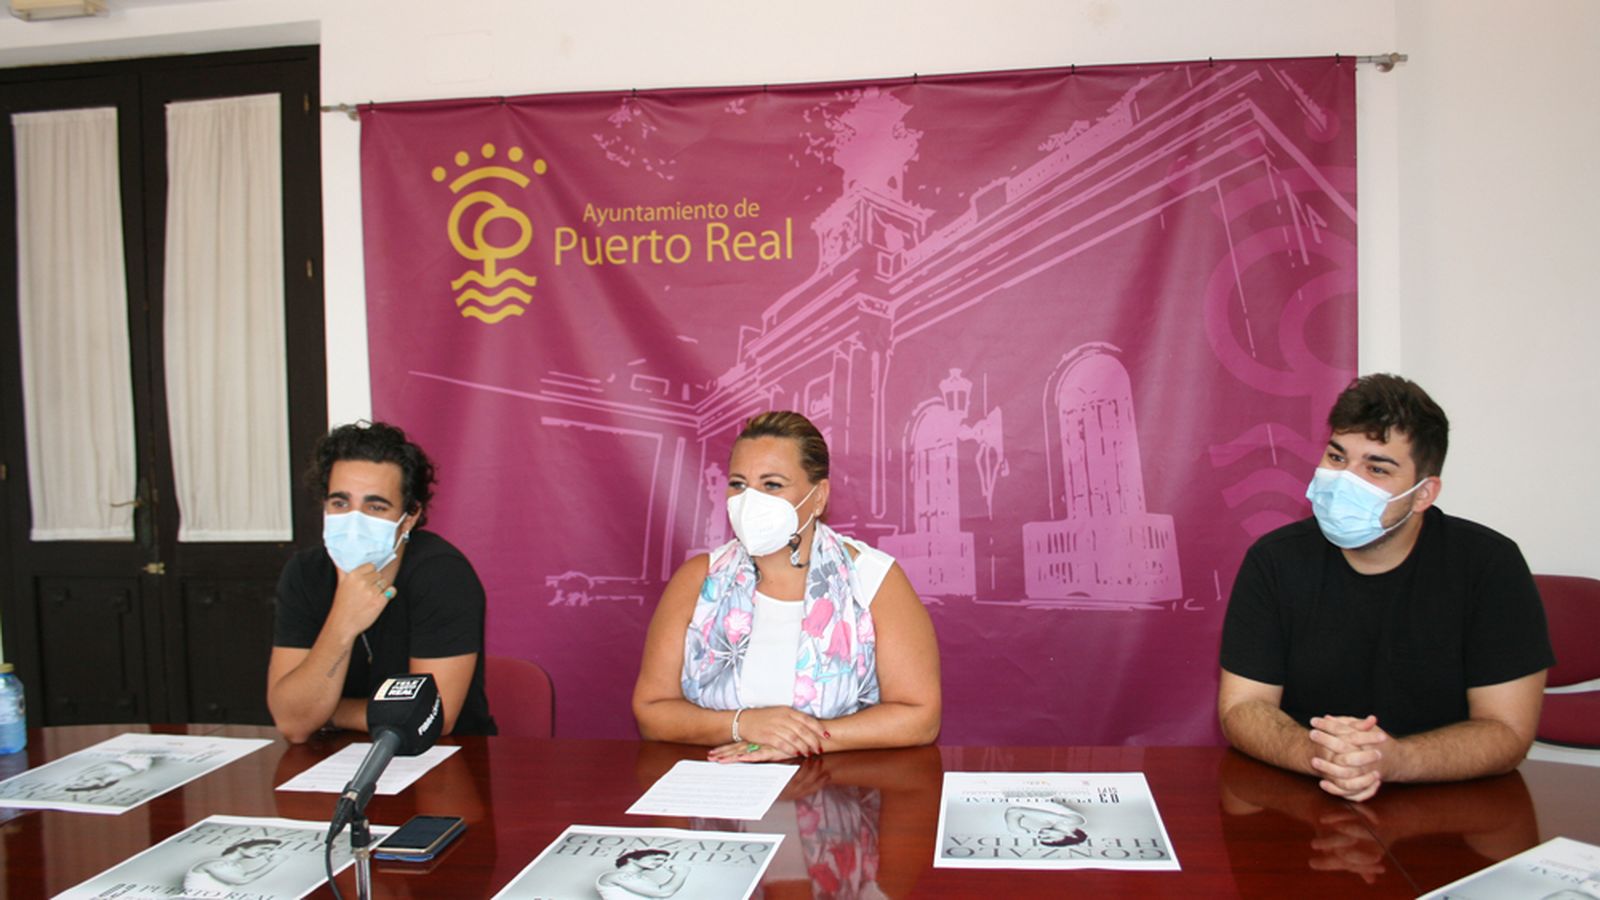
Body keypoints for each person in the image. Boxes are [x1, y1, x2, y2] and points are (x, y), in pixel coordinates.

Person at [1218, 374, 1554, 802]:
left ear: (1423, 494)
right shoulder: (1274, 561)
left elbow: (1508, 731)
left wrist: (1395, 760)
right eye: (1337, 458)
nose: (1345, 480)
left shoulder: (1490, 565)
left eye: (1376, 468)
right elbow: (1242, 708)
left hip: (1447, 807)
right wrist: (1315, 752)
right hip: (1301, 796)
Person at [633, 411, 940, 762]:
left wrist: (799, 737)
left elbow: (920, 717)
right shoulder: (698, 580)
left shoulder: (872, 579)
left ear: (819, 495)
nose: (750, 500)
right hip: (718, 795)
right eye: (738, 484)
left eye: (772, 485)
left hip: (835, 796)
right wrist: (743, 725)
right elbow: (651, 710)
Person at [267, 421, 495, 742]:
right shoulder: (304, 574)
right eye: (341, 503)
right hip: (332, 761)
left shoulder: (443, 575)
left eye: (375, 506)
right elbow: (292, 722)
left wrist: (328, 711)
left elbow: (431, 717)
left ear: (410, 516)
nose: (354, 521)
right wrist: (342, 623)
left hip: (442, 761)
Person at [182, 838, 286, 895]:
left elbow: (245, 875)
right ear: (241, 847)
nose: (265, 853)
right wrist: (274, 863)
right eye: (264, 848)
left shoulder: (236, 866)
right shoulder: (215, 863)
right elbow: (242, 880)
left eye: (269, 850)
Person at [595, 849, 688, 899]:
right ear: (631, 859)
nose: (660, 863)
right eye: (656, 859)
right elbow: (663, 892)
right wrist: (681, 873)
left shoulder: (644, 879)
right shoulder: (614, 876)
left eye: (663, 861)